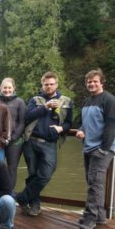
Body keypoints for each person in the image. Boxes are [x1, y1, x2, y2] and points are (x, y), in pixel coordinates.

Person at [15, 72, 73, 216]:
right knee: (33, 174)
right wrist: (45, 107)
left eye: (51, 84)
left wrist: (61, 128)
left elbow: (69, 123)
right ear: (42, 85)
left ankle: (22, 198)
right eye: (46, 84)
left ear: (56, 85)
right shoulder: (36, 100)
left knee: (45, 174)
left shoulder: (66, 101)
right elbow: (26, 117)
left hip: (50, 143)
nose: (49, 86)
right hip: (31, 141)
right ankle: (35, 205)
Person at [76, 69, 115, 229]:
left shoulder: (110, 101)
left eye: (95, 81)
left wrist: (103, 149)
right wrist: (81, 130)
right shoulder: (87, 101)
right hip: (88, 147)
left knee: (94, 183)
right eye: (89, 81)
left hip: (102, 150)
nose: (91, 84)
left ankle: (90, 218)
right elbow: (84, 123)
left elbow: (112, 127)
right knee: (93, 182)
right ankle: (100, 215)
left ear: (102, 82)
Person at [0, 78, 26, 189]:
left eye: (9, 87)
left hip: (15, 142)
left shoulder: (20, 102)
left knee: (12, 169)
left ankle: (9, 193)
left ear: (14, 88)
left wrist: (13, 137)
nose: (7, 90)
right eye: (5, 87)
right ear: (1, 88)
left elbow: (22, 122)